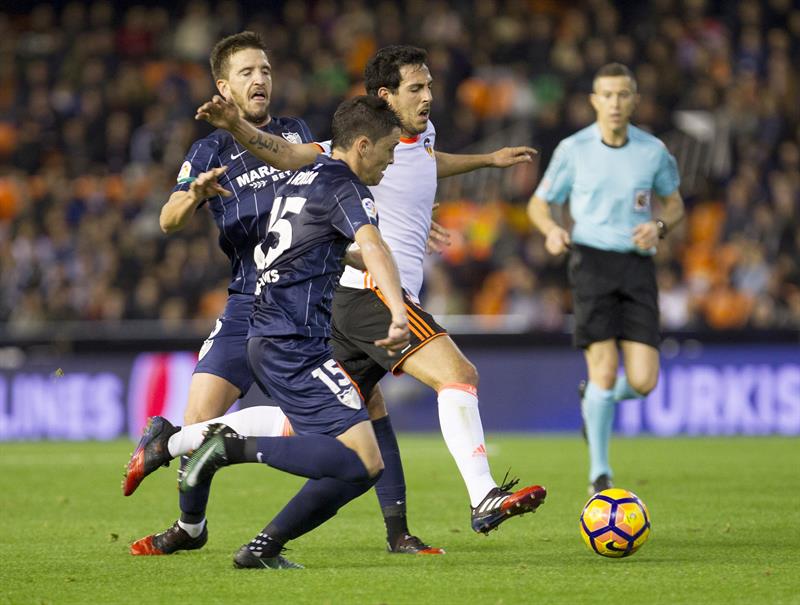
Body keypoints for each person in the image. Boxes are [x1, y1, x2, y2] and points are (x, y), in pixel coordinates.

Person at [162, 45, 547, 536]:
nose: (429, 95)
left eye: (429, 85)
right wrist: (235, 128)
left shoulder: (419, 134)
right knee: (457, 374)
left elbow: (424, 163)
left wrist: (486, 161)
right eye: (417, 88)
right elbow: (291, 157)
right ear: (385, 98)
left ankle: (172, 442)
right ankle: (482, 496)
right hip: (355, 291)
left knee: (315, 420)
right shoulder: (339, 146)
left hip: (332, 302)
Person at [182, 94, 410, 569]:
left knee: (361, 461)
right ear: (363, 145)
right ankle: (229, 450)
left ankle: (262, 548)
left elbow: (309, 248)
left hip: (272, 332)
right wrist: (398, 313)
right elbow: (374, 248)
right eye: (389, 151)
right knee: (361, 462)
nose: (389, 164)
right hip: (294, 342)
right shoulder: (347, 186)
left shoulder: (302, 178)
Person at [123, 31, 330, 556]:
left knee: (334, 421)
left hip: (303, 302)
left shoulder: (293, 132)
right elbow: (168, 220)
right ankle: (191, 528)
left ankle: (394, 526)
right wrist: (192, 195)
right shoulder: (208, 148)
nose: (259, 79)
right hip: (245, 301)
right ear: (223, 86)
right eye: (246, 73)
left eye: (264, 70)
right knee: (197, 422)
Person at [527, 63, 684, 495]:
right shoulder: (573, 149)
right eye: (607, 95)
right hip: (591, 262)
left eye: (623, 95)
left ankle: (593, 400)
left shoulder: (652, 151)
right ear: (594, 101)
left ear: (634, 100)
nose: (615, 103)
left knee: (643, 381)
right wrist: (553, 230)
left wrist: (660, 227)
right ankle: (600, 472)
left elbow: (674, 204)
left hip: (637, 265)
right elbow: (539, 204)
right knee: (602, 369)